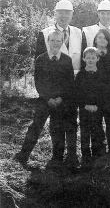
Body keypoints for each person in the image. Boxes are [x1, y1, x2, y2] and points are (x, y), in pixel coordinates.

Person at [14, 0, 82, 167]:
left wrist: (65, 94)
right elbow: (39, 67)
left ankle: (66, 158)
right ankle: (23, 155)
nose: (64, 16)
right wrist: (47, 95)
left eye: (67, 12)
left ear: (72, 14)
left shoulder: (78, 33)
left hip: (69, 91)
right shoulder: (44, 33)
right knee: (37, 124)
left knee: (64, 126)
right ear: (55, 13)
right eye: (61, 12)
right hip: (46, 94)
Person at [31, 30, 75, 166]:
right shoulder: (41, 59)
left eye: (58, 41)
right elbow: (38, 82)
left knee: (57, 128)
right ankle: (23, 154)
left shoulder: (67, 60)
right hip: (45, 100)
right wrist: (47, 98)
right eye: (52, 40)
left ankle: (57, 157)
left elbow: (69, 82)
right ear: (47, 41)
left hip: (60, 100)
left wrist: (60, 98)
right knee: (36, 126)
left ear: (62, 42)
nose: (55, 43)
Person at [74, 47, 109, 165]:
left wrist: (98, 106)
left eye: (93, 58)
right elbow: (77, 93)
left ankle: (97, 152)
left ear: (98, 59)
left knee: (97, 130)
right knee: (85, 131)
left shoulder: (102, 75)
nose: (90, 60)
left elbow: (104, 93)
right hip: (84, 109)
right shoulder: (80, 75)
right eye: (88, 58)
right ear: (83, 59)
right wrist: (84, 105)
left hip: (97, 109)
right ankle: (85, 154)